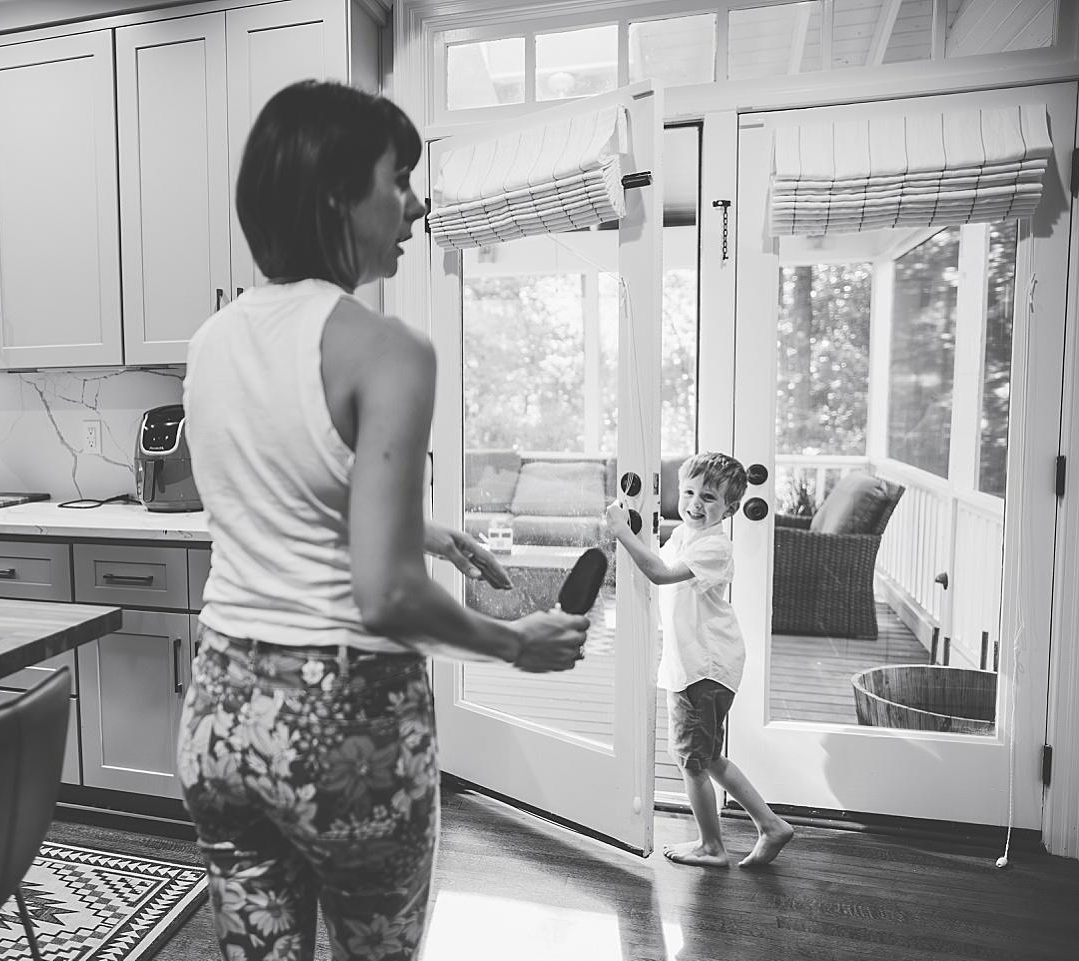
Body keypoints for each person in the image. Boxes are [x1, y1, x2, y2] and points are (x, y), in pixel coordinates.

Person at [178, 80, 591, 961]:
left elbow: (286, 490)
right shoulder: (387, 348)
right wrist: (519, 641)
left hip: (218, 710)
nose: (415, 203)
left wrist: (428, 531)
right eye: (398, 178)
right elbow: (387, 595)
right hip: (342, 726)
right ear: (336, 193)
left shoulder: (211, 341)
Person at [605, 452, 794, 868]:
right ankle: (771, 826)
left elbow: (658, 572)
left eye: (708, 497)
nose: (694, 502)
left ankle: (713, 846)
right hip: (697, 666)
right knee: (708, 759)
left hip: (703, 669)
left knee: (692, 763)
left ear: (729, 508)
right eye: (689, 492)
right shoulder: (688, 535)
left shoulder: (714, 546)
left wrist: (622, 531)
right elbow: (659, 556)